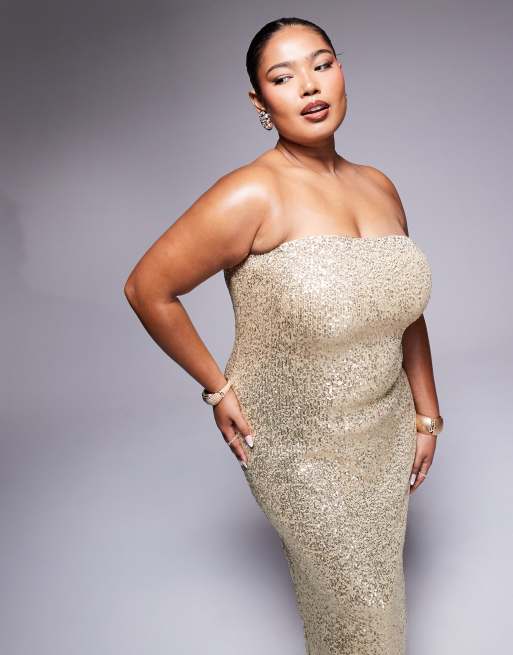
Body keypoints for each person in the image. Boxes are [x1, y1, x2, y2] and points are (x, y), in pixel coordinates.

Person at [123, 16, 444, 655]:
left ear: (341, 72)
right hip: (298, 448)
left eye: (322, 65)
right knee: (360, 613)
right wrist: (217, 389)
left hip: (383, 435)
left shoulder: (380, 186)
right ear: (260, 101)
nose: (309, 86)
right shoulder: (251, 193)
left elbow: (403, 310)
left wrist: (427, 415)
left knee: (378, 608)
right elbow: (147, 288)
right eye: (283, 76)